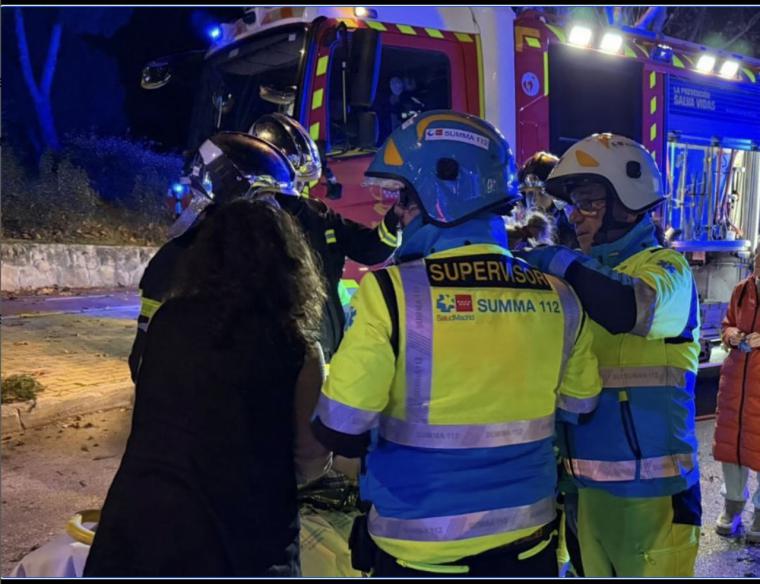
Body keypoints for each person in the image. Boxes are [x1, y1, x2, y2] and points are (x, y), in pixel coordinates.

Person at [310, 110, 602, 577]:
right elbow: (581, 405)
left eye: (403, 198)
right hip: (529, 545)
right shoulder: (560, 297)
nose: (397, 213)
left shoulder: (393, 293)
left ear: (441, 192)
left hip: (420, 551)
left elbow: (338, 427)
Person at [84, 198, 331, 577]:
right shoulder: (299, 350)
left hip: (139, 532)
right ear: (289, 267)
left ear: (205, 258)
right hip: (245, 545)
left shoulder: (166, 323)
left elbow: (152, 418)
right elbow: (311, 459)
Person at [518, 133, 702, 577]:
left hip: (655, 499)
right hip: (586, 493)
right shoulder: (583, 281)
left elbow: (628, 307)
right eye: (572, 205)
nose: (575, 217)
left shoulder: (666, 270)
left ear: (628, 201)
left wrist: (559, 261)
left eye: (588, 203)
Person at [127, 131, 300, 381]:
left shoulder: (265, 259)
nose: (274, 214)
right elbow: (146, 359)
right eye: (265, 202)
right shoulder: (178, 259)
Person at [249, 113, 400, 362]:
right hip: (278, 358)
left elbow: (371, 249)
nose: (297, 187)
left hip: (328, 350)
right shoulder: (247, 223)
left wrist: (395, 218)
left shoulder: (318, 215)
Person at [713, 246, 760, 542]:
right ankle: (732, 505)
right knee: (733, 448)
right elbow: (727, 323)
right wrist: (731, 335)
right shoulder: (742, 289)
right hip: (736, 385)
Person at [517, 151, 577, 249]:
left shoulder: (575, 235)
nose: (534, 201)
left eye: (541, 193)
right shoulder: (517, 237)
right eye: (530, 194)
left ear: (558, 197)